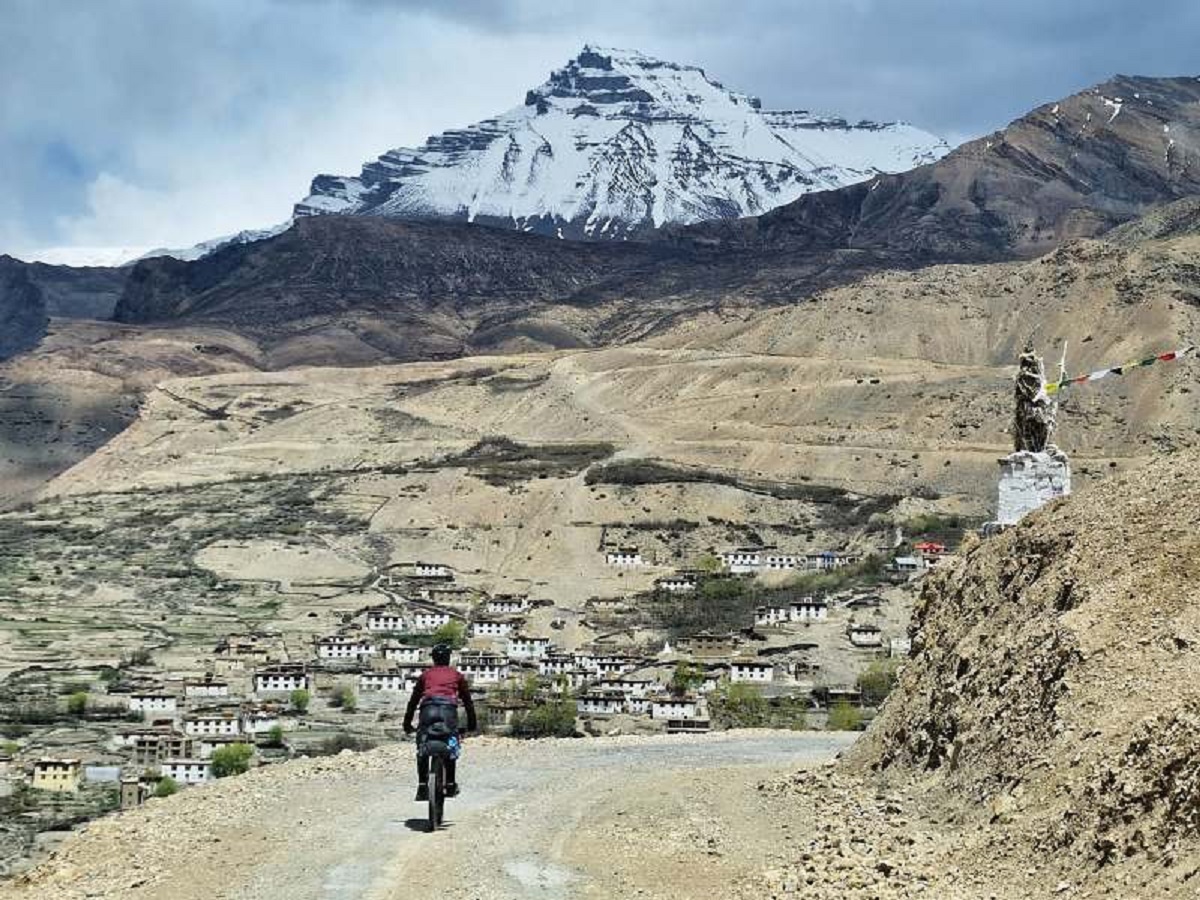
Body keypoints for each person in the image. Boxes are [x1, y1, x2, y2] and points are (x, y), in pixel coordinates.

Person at [403, 643, 477, 801]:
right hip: (447, 711)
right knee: (451, 744)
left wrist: (407, 723)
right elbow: (468, 702)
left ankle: (422, 786)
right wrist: (472, 725)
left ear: (434, 659)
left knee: (422, 744)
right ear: (449, 658)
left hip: (428, 709)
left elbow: (413, 701)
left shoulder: (426, 675)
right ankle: (450, 784)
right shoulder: (456, 675)